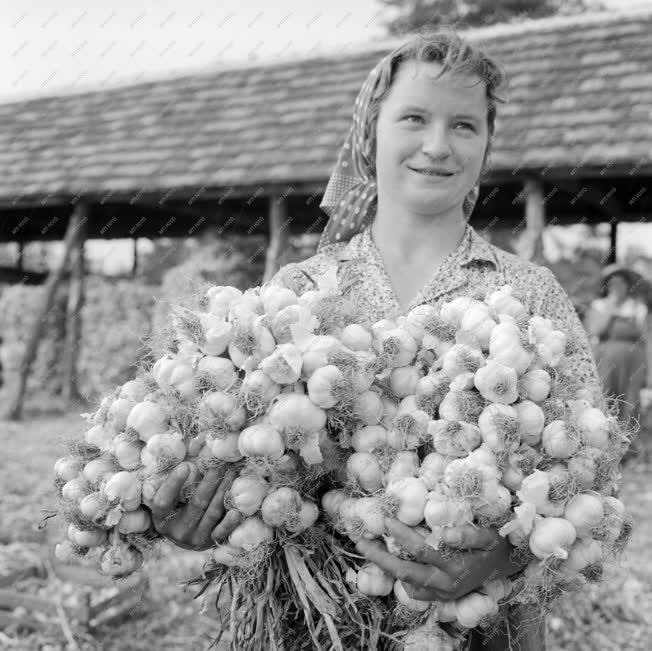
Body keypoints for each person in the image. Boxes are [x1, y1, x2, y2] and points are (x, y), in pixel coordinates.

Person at [150, 30, 605, 650]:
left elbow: (593, 473)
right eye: (414, 117)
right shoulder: (298, 292)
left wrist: (505, 554)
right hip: (308, 624)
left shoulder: (531, 292)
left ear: (486, 144)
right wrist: (198, 510)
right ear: (370, 130)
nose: (438, 146)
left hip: (479, 628)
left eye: (465, 126)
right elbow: (238, 469)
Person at [586, 264, 648, 436]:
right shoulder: (599, 305)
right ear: (608, 286)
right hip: (605, 360)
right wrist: (612, 308)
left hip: (632, 362)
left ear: (628, 286)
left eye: (621, 283)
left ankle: (627, 442)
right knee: (606, 395)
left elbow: (644, 337)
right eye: (614, 283)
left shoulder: (637, 307)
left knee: (630, 399)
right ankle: (603, 437)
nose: (618, 287)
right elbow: (597, 330)